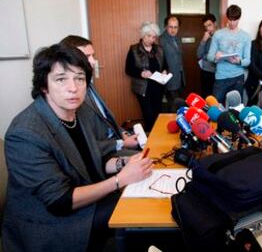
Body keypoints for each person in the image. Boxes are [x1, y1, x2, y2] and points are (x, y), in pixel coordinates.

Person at [1, 44, 153, 252]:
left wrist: (124, 162)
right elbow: (60, 201)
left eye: (79, 78)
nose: (73, 88)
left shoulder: (80, 112)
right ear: (44, 85)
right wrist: (120, 180)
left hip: (84, 200)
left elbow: (95, 159)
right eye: (61, 79)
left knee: (144, 201)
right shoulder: (25, 133)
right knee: (137, 211)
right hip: (50, 223)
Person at [60, 35, 139, 157]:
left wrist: (122, 134)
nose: (92, 61)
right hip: (103, 153)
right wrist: (121, 143)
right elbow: (86, 143)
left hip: (116, 139)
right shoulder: (71, 98)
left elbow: (106, 119)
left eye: (93, 56)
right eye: (87, 57)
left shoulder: (88, 85)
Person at [125, 22, 167, 132]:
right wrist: (141, 73)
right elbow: (128, 69)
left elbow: (165, 65)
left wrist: (165, 71)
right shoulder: (134, 49)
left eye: (154, 37)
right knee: (148, 115)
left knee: (158, 113)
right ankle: (149, 138)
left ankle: (157, 136)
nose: (151, 39)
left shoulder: (159, 49)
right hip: (143, 88)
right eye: (148, 36)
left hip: (158, 86)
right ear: (143, 35)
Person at [207, 4, 251, 104]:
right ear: (227, 18)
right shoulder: (218, 34)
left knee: (235, 109)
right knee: (216, 107)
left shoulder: (246, 36)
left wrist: (238, 61)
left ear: (239, 19)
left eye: (235, 20)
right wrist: (216, 57)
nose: (232, 23)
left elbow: (247, 61)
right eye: (230, 19)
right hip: (221, 77)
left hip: (238, 77)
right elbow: (209, 56)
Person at [159, 15, 185, 112]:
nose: (173, 30)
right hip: (169, 78)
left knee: (180, 104)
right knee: (173, 106)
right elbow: (159, 60)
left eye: (175, 27)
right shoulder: (161, 40)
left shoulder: (178, 38)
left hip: (180, 77)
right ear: (166, 26)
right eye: (170, 27)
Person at [197, 13, 217, 98]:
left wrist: (206, 56)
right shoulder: (206, 38)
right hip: (206, 72)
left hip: (217, 72)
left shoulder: (221, 36)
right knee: (205, 97)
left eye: (209, 25)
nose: (208, 29)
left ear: (215, 24)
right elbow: (198, 54)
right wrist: (204, 40)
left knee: (216, 98)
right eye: (206, 26)